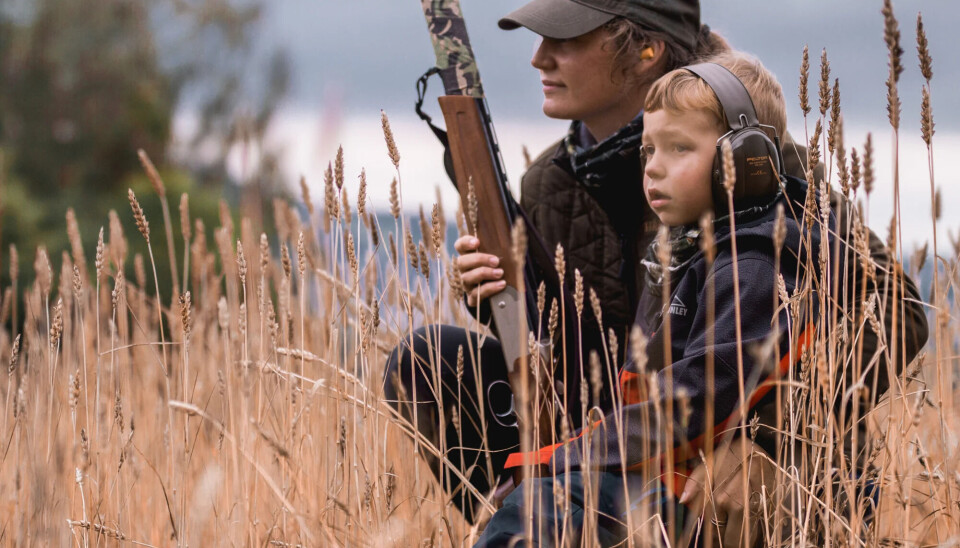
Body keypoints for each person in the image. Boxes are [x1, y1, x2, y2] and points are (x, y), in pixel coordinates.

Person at [476, 51, 928, 547]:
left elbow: (698, 395)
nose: (652, 169)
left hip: (699, 482)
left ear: (746, 159)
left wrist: (562, 457)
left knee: (539, 512)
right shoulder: (688, 246)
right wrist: (494, 294)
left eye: (679, 149)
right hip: (664, 465)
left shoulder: (752, 260)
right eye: (648, 151)